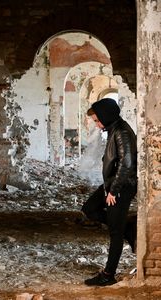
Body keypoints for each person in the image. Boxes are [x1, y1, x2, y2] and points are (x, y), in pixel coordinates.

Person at [82, 98, 137, 286]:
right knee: (90, 208)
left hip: (121, 186)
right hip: (112, 183)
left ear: (106, 116)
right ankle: (127, 228)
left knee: (115, 232)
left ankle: (108, 274)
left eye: (97, 120)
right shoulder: (114, 129)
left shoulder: (121, 131)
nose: (97, 124)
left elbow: (127, 163)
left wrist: (113, 190)